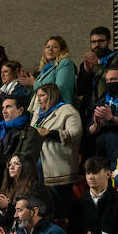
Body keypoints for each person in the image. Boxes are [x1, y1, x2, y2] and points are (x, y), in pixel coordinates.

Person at [32, 82, 83, 217]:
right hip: (40, 168)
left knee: (61, 208)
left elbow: (75, 133)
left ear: (52, 95)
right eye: (38, 96)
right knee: (46, 208)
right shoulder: (38, 112)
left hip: (59, 168)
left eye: (42, 95)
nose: (39, 99)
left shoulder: (67, 110)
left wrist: (49, 133)